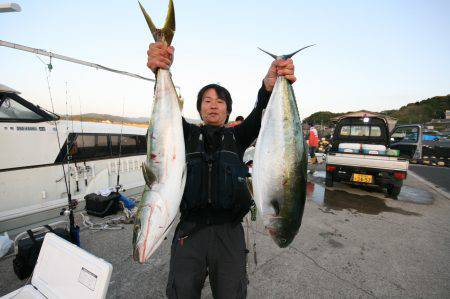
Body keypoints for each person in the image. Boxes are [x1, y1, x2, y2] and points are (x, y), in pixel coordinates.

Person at [146, 42, 297, 299]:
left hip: (229, 233)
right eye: (206, 100)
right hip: (189, 232)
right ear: (199, 108)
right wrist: (159, 72)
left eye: (220, 101)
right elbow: (165, 115)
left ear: (228, 109)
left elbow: (260, 115)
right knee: (181, 293)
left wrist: (268, 88)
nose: (213, 105)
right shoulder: (186, 135)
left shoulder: (238, 137)